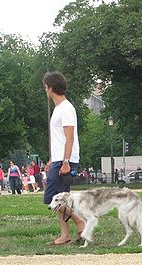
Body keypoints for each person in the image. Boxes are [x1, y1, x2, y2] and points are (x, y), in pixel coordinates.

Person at [43, 71, 85, 246]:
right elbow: (59, 139)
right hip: (60, 159)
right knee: (59, 198)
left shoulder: (66, 108)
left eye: (45, 86)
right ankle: (65, 234)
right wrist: (53, 159)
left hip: (66, 161)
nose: (45, 90)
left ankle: (81, 222)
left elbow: (70, 137)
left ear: (51, 87)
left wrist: (66, 161)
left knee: (51, 198)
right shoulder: (59, 109)